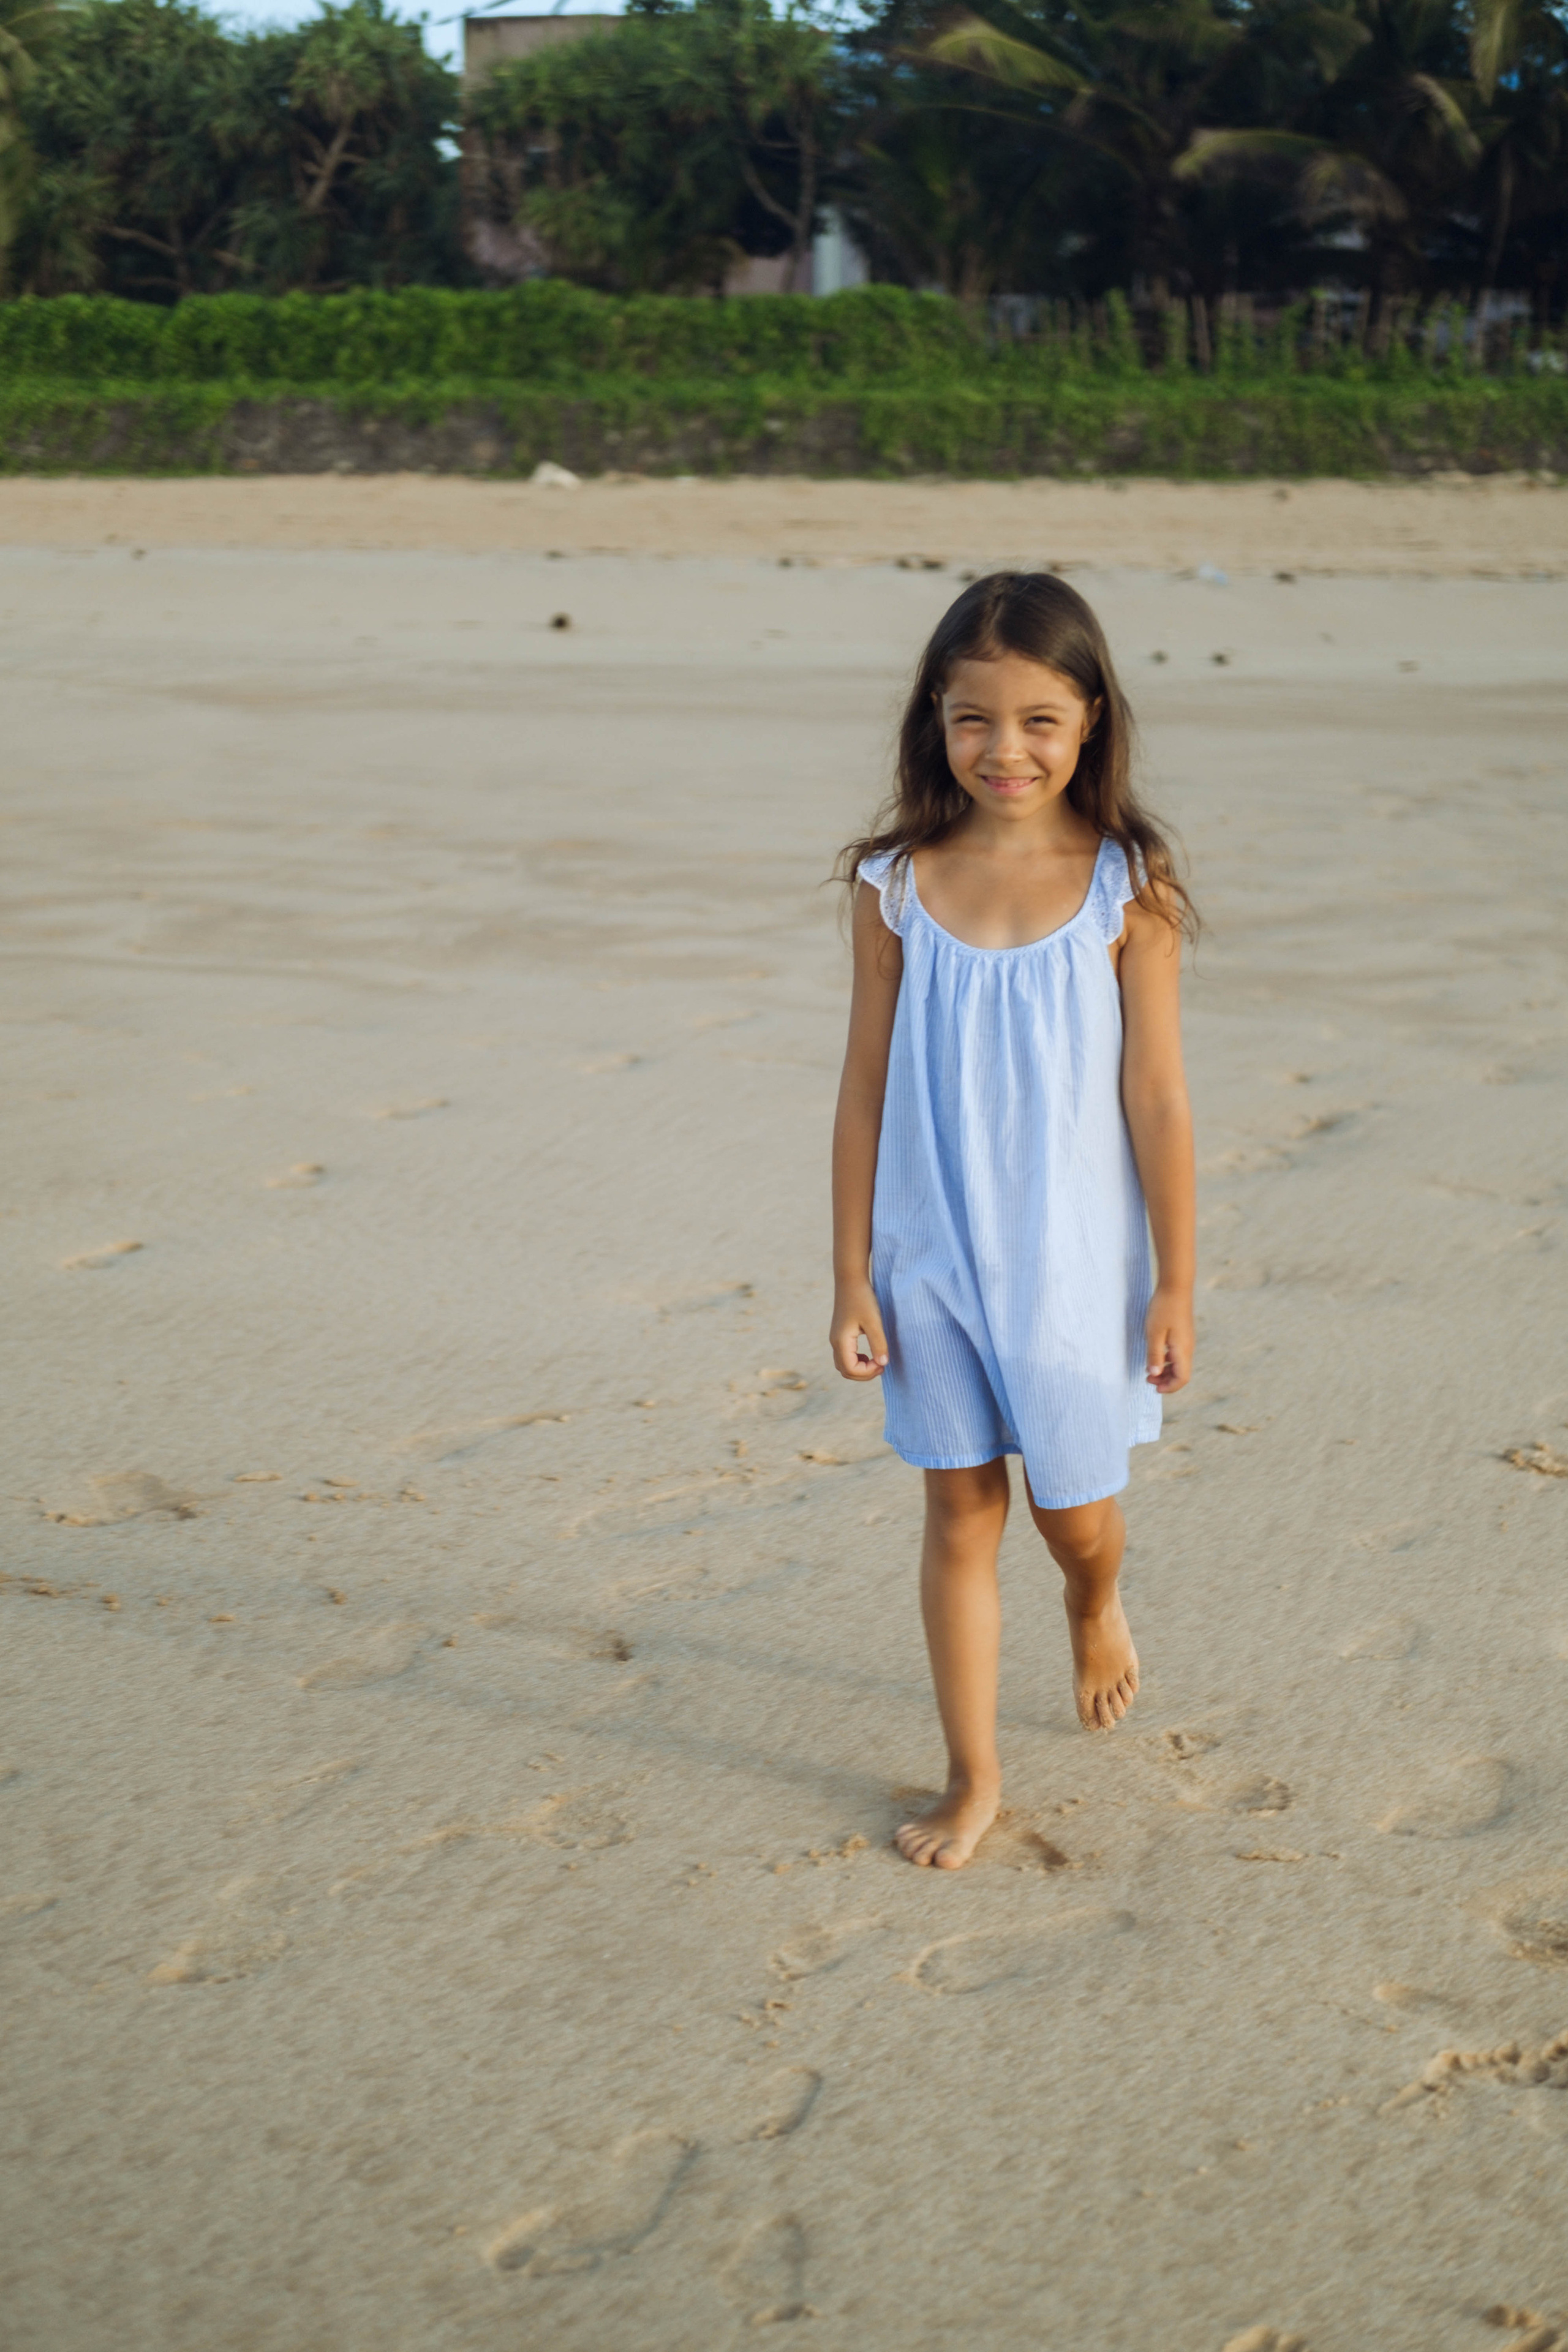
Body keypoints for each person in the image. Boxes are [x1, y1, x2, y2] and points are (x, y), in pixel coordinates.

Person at [829, 571, 1196, 1871]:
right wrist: (851, 1279)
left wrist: (1172, 1285)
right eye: (971, 718)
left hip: (1075, 1266)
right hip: (927, 1256)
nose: (1003, 749)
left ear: (1090, 721)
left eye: (1038, 720)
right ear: (934, 720)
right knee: (958, 1510)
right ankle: (970, 1775)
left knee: (1074, 1512)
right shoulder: (892, 886)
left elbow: (1154, 1096)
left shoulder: (1121, 887)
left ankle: (1094, 1601)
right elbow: (863, 1093)